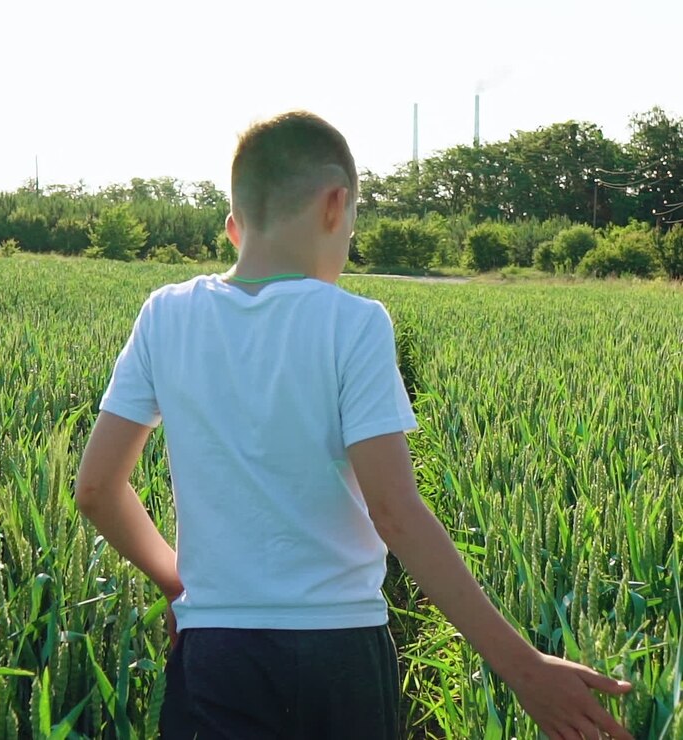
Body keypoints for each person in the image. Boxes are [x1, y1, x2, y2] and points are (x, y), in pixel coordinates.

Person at [75, 111, 633, 740]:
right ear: (336, 207)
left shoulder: (165, 316)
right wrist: (523, 668)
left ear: (235, 229)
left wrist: (183, 586)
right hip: (336, 654)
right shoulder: (354, 323)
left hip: (215, 654)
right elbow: (394, 512)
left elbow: (96, 489)